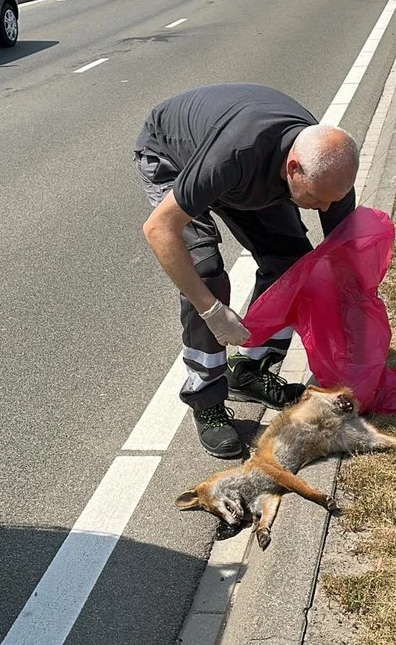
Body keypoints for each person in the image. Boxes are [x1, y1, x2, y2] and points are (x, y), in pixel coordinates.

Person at [135, 83, 359, 459]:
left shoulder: (328, 172)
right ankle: (205, 397)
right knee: (203, 270)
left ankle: (250, 369)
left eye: (332, 201)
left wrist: (352, 317)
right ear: (293, 169)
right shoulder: (233, 156)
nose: (322, 208)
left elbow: (344, 258)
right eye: (317, 199)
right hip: (175, 160)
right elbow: (159, 229)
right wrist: (210, 310)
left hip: (248, 177)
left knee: (292, 264)